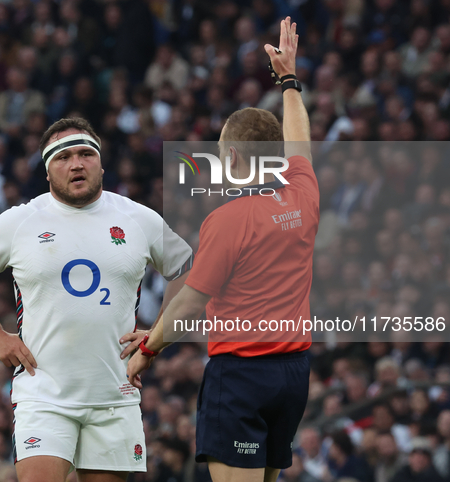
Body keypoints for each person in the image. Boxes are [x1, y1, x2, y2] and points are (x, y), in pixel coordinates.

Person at [125, 17, 317, 482]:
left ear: (230, 159)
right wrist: (289, 81)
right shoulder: (303, 193)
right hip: (293, 374)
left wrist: (147, 350)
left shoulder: (228, 220)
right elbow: (301, 139)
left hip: (242, 377)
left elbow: (191, 302)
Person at [0, 117, 194, 482]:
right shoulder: (22, 220)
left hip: (115, 392)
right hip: (43, 391)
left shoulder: (137, 218)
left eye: (85, 154)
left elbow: (188, 269)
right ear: (48, 172)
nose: (76, 163)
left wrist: (156, 334)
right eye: (63, 157)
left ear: (100, 163)